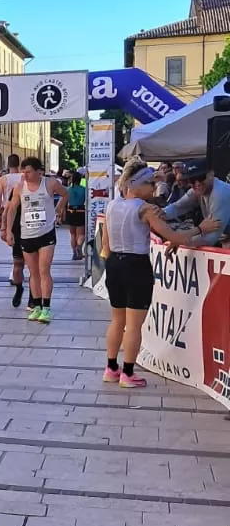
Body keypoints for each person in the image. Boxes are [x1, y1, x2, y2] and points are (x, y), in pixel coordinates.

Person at [101, 163, 189, 388]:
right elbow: (172, 235)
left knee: (117, 320)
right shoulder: (144, 209)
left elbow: (106, 244)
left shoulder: (112, 205)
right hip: (136, 265)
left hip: (115, 264)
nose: (154, 188)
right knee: (133, 325)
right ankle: (128, 373)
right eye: (150, 183)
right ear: (137, 185)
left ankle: (111, 368)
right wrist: (201, 229)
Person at [6, 156, 65, 322]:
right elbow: (11, 210)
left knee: (44, 270)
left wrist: (59, 208)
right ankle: (37, 306)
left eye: (29, 171)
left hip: (46, 233)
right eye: (23, 171)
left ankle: (46, 308)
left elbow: (65, 194)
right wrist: (9, 231)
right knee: (33, 272)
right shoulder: (19, 187)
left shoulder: (50, 184)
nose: (25, 174)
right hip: (27, 234)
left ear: (39, 172)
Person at [161, 159, 230, 248]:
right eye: (192, 180)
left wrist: (180, 240)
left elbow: (210, 238)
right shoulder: (196, 191)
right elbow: (177, 207)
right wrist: (158, 213)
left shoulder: (220, 194)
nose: (197, 183)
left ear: (211, 174)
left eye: (201, 178)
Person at [0, 155, 25, 305]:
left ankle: (14, 275)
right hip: (22, 215)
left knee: (16, 252)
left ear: (8, 164)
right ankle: (17, 276)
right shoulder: (24, 177)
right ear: (19, 164)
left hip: (10, 216)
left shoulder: (3, 179)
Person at [64, 170, 86, 260]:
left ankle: (74, 252)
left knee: (72, 234)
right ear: (80, 180)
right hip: (81, 211)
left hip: (70, 211)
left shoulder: (68, 189)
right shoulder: (83, 189)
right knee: (81, 234)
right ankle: (79, 246)